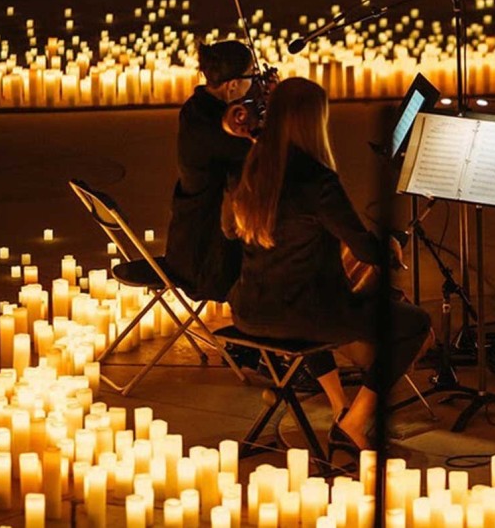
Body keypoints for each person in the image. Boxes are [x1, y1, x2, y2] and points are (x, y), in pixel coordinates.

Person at [225, 77, 432, 454]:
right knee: (414, 323)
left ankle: (339, 404)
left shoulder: (253, 165)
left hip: (249, 310)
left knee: (304, 292)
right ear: (313, 122)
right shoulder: (317, 180)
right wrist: (388, 245)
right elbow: (367, 252)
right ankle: (355, 422)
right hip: (303, 317)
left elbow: (232, 229)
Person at [164, 41, 258, 303]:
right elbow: (257, 151)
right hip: (205, 257)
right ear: (232, 85)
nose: (255, 82)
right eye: (251, 77)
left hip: (187, 240)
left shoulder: (199, 107)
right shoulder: (215, 126)